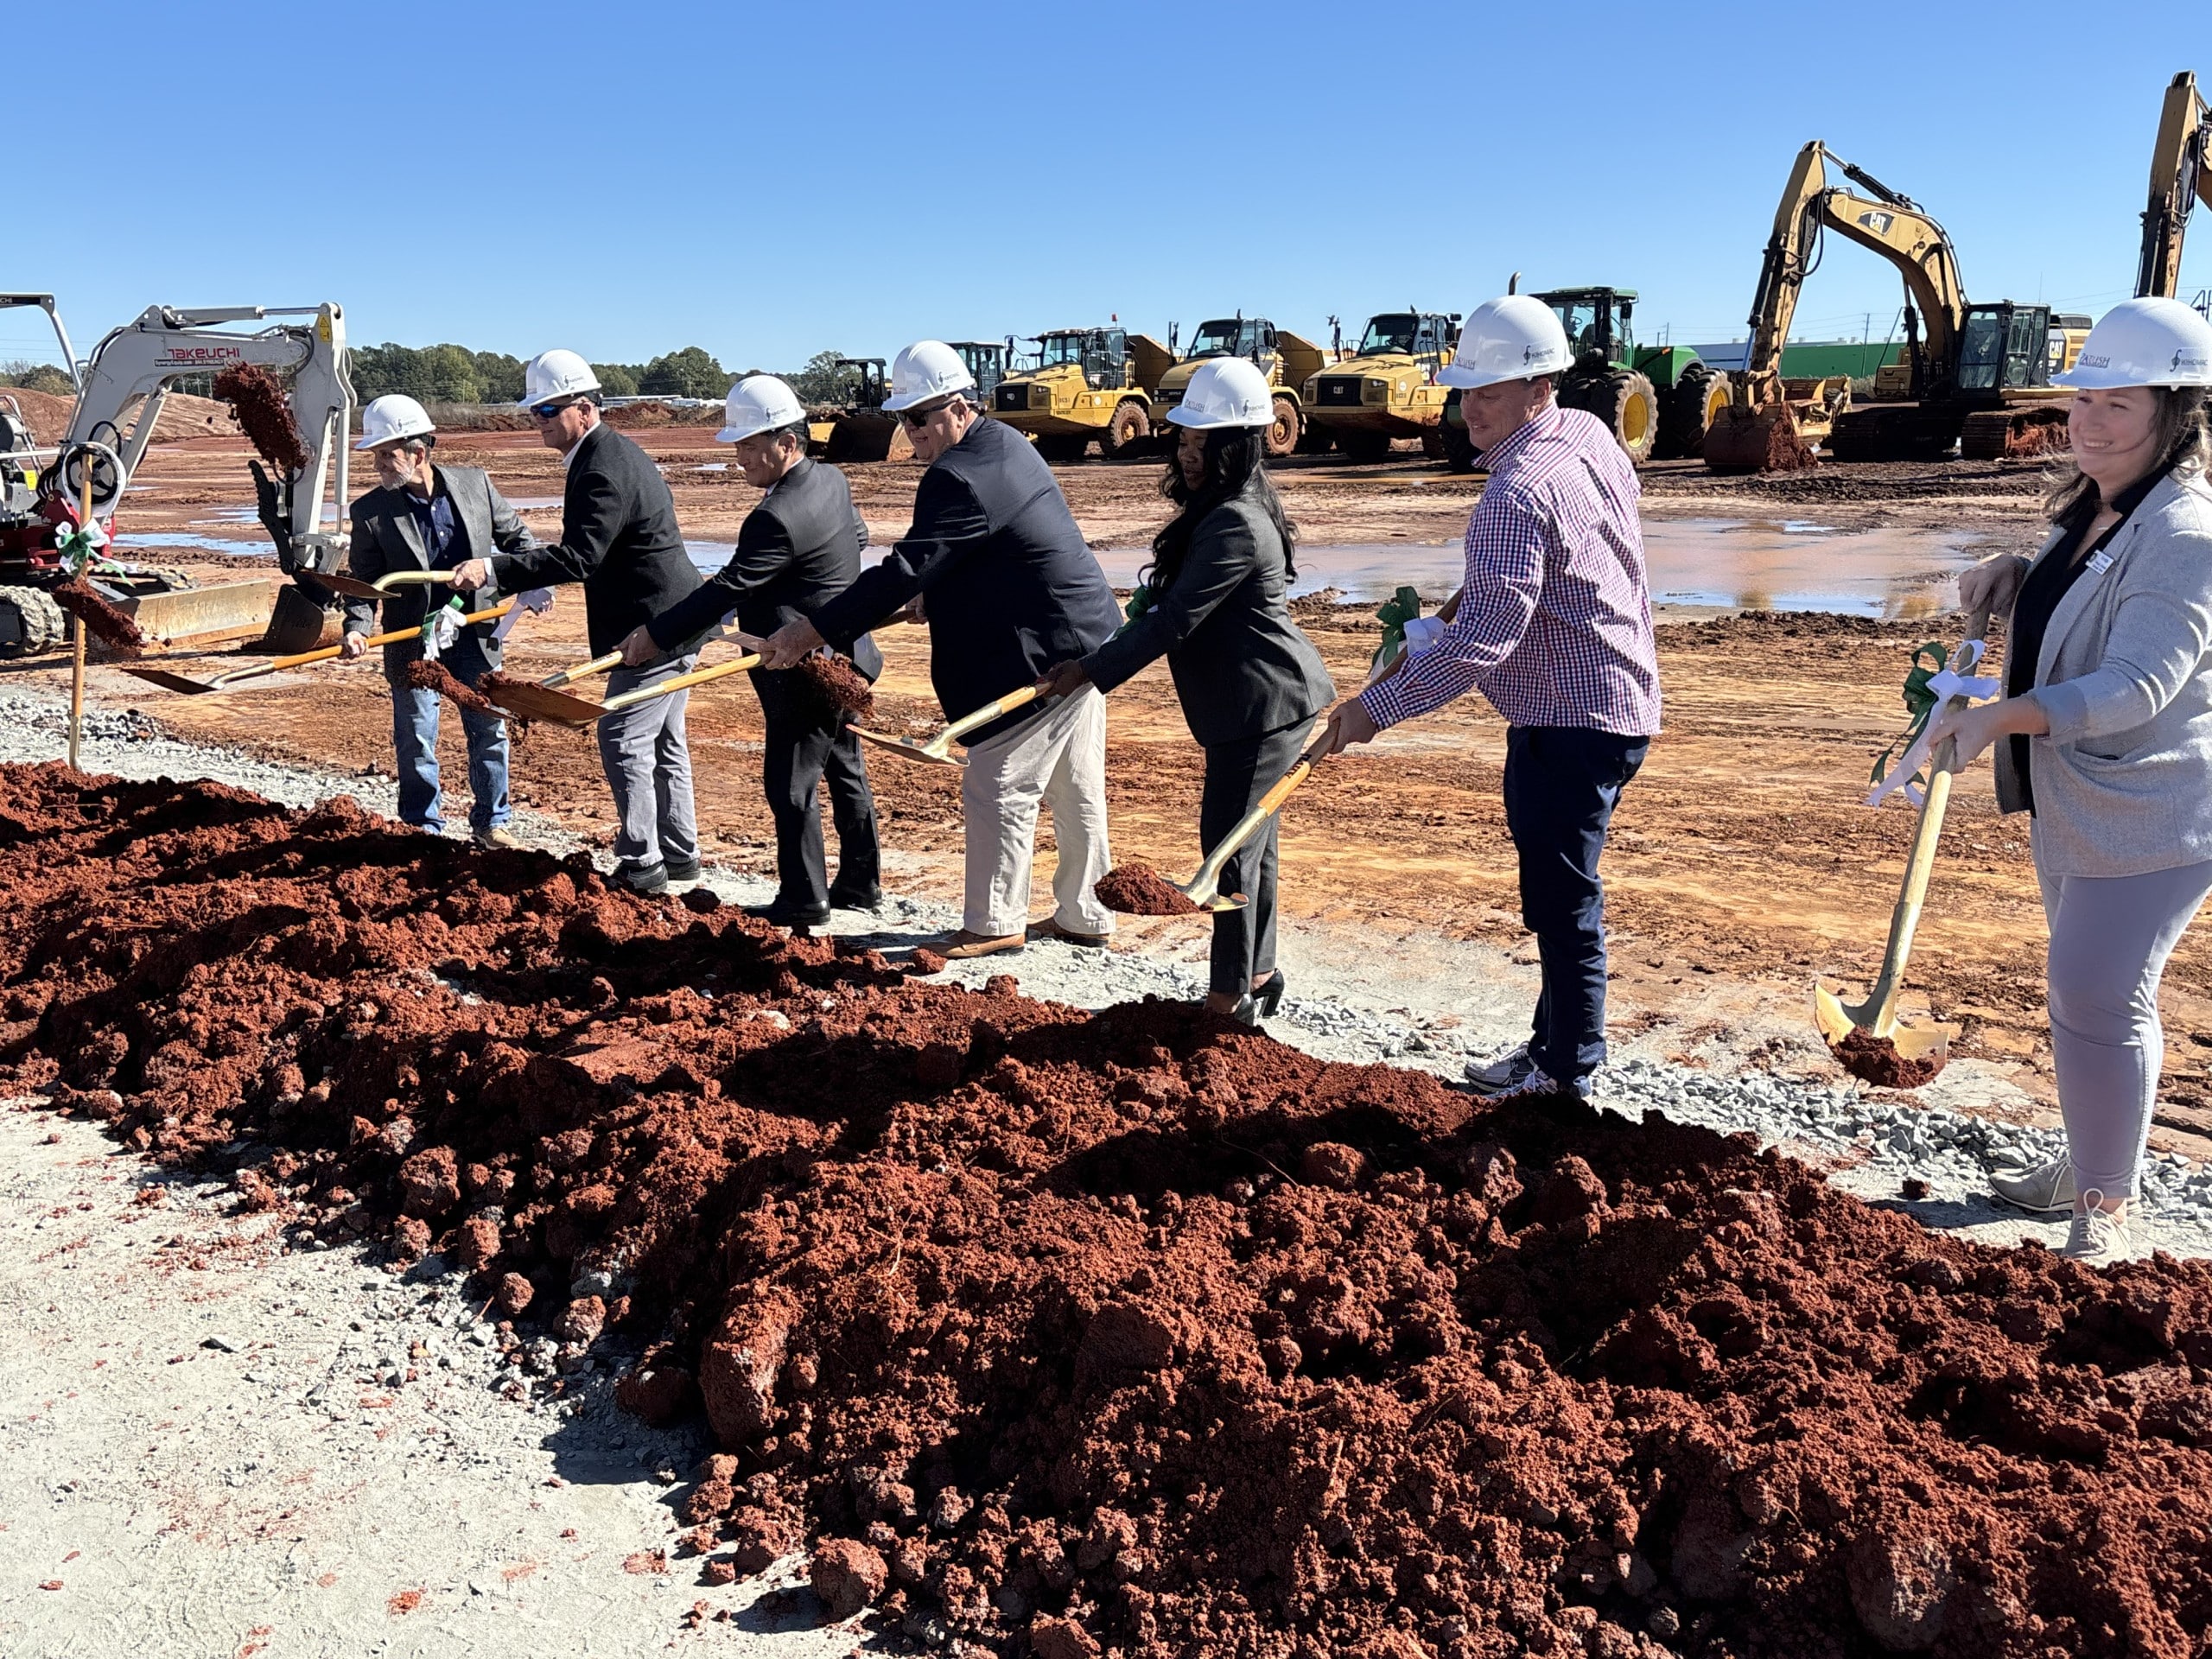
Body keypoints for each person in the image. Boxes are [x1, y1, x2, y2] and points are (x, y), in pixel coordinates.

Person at [1319, 295, 1662, 1104]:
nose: (1470, 407)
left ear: (1540, 384)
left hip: (1567, 719)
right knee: (1559, 887)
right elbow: (1510, 593)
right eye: (1466, 389)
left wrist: (1373, 711)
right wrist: (1441, 618)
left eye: (1490, 390)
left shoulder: (1513, 494)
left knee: (1562, 898)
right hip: (1618, 696)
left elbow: (1484, 647)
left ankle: (1567, 1074)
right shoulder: (1587, 433)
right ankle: (1553, 1047)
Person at [1926, 296, 2212, 1267]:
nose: (2088, 422)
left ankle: (2106, 1207)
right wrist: (2018, 570)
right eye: (2084, 400)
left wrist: (2000, 716)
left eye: (2117, 407)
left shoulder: (2184, 531)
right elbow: (2081, 594)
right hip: (2079, 798)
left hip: (2154, 807)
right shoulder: (2095, 507)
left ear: (2176, 416)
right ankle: (2097, 1157)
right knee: (2092, 995)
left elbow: (2138, 685)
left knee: (2096, 992)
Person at [757, 340, 1123, 959]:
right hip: (1084, 635)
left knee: (998, 781)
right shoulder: (1002, 443)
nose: (910, 433)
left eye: (919, 418)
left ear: (956, 408)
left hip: (1042, 649)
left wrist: (806, 633)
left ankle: (992, 921)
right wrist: (943, 592)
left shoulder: (959, 475)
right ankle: (1084, 914)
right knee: (1073, 783)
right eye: (903, 418)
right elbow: (980, 549)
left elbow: (904, 569)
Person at [1035, 358, 1333, 1020]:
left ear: (1235, 445)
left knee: (1227, 850)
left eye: (1199, 441)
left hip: (1262, 703)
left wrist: (1088, 673)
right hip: (1258, 700)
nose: (1185, 450)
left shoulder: (1235, 522)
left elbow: (1175, 621)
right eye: (1184, 438)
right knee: (1252, 847)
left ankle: (1228, 997)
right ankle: (1259, 973)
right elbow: (1164, 607)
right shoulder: (1229, 507)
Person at [619, 375, 882, 930]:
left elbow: (726, 590)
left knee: (789, 784)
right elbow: (855, 539)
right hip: (852, 654)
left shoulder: (774, 515)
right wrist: (810, 583)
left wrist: (655, 636)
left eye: (747, 445)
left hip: (804, 669)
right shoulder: (831, 480)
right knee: (844, 768)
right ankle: (861, 882)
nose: (740, 458)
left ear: (786, 443)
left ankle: (804, 899)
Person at [449, 350, 705, 894]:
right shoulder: (605, 455)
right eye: (534, 411)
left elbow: (579, 557)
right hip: (676, 612)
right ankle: (679, 855)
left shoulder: (602, 468)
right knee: (662, 741)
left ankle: (644, 865)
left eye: (547, 410)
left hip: (654, 625)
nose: (537, 421)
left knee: (623, 737)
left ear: (584, 409)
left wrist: (494, 568)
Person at [342, 394, 538, 847]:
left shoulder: (475, 485)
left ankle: (493, 823)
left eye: (386, 455)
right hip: (412, 638)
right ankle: (422, 828)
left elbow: (520, 541)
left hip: (474, 631)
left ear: (419, 453)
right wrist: (357, 628)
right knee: (416, 737)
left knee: (489, 725)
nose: (379, 466)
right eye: (375, 457)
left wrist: (531, 580)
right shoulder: (370, 512)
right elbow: (365, 581)